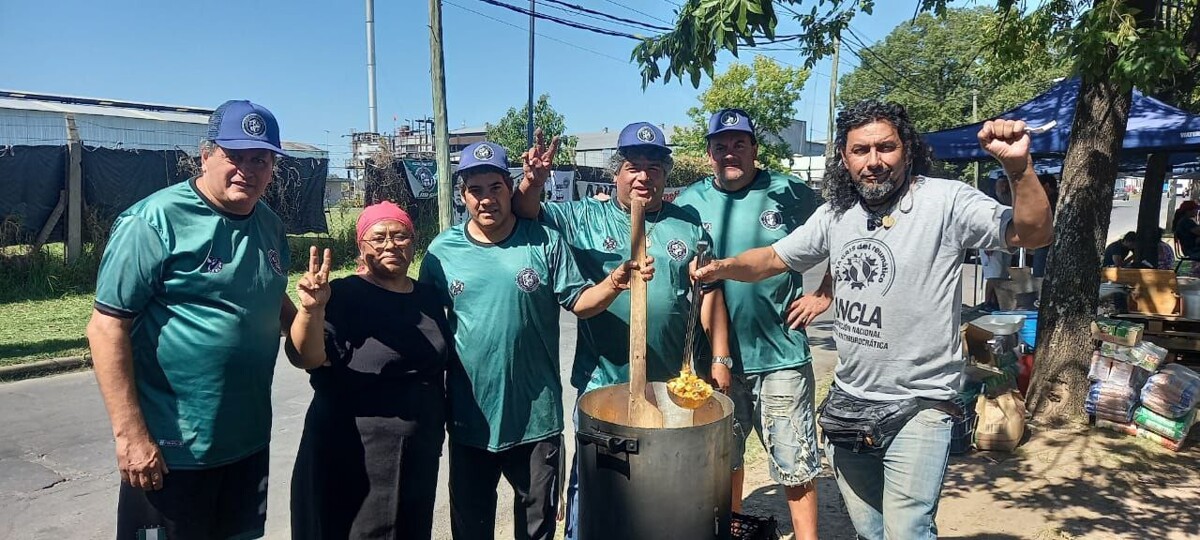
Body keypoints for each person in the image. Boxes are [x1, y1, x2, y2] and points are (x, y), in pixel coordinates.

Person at [693, 101, 1053, 540]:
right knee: (868, 529)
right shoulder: (836, 214)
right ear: (844, 158)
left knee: (907, 529)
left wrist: (1019, 171)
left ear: (907, 149)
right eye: (860, 150)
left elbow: (1033, 233)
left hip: (921, 402)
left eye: (886, 147)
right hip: (851, 403)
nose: (874, 161)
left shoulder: (944, 201)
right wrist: (724, 267)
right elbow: (772, 258)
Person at [419, 141, 652, 540]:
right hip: (469, 420)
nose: (487, 199)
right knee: (470, 529)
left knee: (537, 528)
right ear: (462, 195)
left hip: (537, 421)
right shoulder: (442, 252)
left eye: (495, 187)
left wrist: (616, 281)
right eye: (476, 190)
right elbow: (424, 328)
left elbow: (579, 302)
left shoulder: (542, 241)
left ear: (510, 188)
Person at [85, 100, 295, 539]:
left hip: (246, 444)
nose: (247, 170)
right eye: (233, 156)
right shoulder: (153, 221)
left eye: (260, 159)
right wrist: (131, 438)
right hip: (169, 452)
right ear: (205, 155)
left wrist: (317, 315)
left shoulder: (271, 227)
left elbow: (276, 307)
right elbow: (106, 327)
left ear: (273, 165)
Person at [512, 123, 730, 539]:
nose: (643, 176)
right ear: (617, 172)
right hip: (604, 383)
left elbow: (709, 294)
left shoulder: (688, 223)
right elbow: (527, 212)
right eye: (633, 166)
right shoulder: (583, 217)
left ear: (666, 174)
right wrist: (532, 181)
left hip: (672, 385)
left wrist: (719, 357)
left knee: (665, 488)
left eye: (654, 167)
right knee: (596, 484)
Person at [672, 108, 830, 539]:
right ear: (709, 154)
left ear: (754, 149)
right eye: (720, 146)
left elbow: (842, 231)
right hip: (715, 364)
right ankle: (732, 533)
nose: (730, 153)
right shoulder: (689, 201)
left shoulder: (788, 192)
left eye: (739, 143)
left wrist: (825, 293)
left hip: (779, 355)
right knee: (726, 463)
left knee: (795, 464)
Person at [286, 202, 451, 538]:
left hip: (418, 450)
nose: (390, 244)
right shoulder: (343, 295)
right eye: (379, 238)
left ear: (413, 242)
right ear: (362, 247)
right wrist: (310, 310)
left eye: (400, 236)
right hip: (351, 449)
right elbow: (306, 357)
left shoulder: (429, 298)